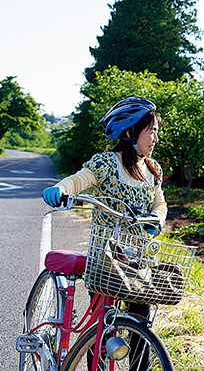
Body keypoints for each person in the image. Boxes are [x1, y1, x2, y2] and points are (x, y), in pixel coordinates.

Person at [42, 96, 166, 368]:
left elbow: (159, 202)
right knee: (102, 322)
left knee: (141, 318)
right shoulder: (108, 163)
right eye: (151, 131)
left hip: (138, 258)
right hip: (107, 258)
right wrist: (62, 189)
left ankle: (138, 367)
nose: (156, 138)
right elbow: (81, 179)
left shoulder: (152, 169)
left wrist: (156, 217)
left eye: (157, 131)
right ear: (130, 131)